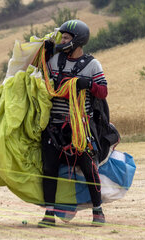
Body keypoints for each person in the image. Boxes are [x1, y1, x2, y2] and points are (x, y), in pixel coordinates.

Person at [38, 19, 108, 227]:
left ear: (77, 40)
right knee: (49, 168)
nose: (63, 41)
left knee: (88, 167)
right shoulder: (54, 61)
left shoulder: (92, 64)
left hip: (79, 127)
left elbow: (103, 91)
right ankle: (49, 214)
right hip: (55, 126)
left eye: (66, 38)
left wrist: (88, 84)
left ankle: (98, 211)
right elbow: (41, 80)